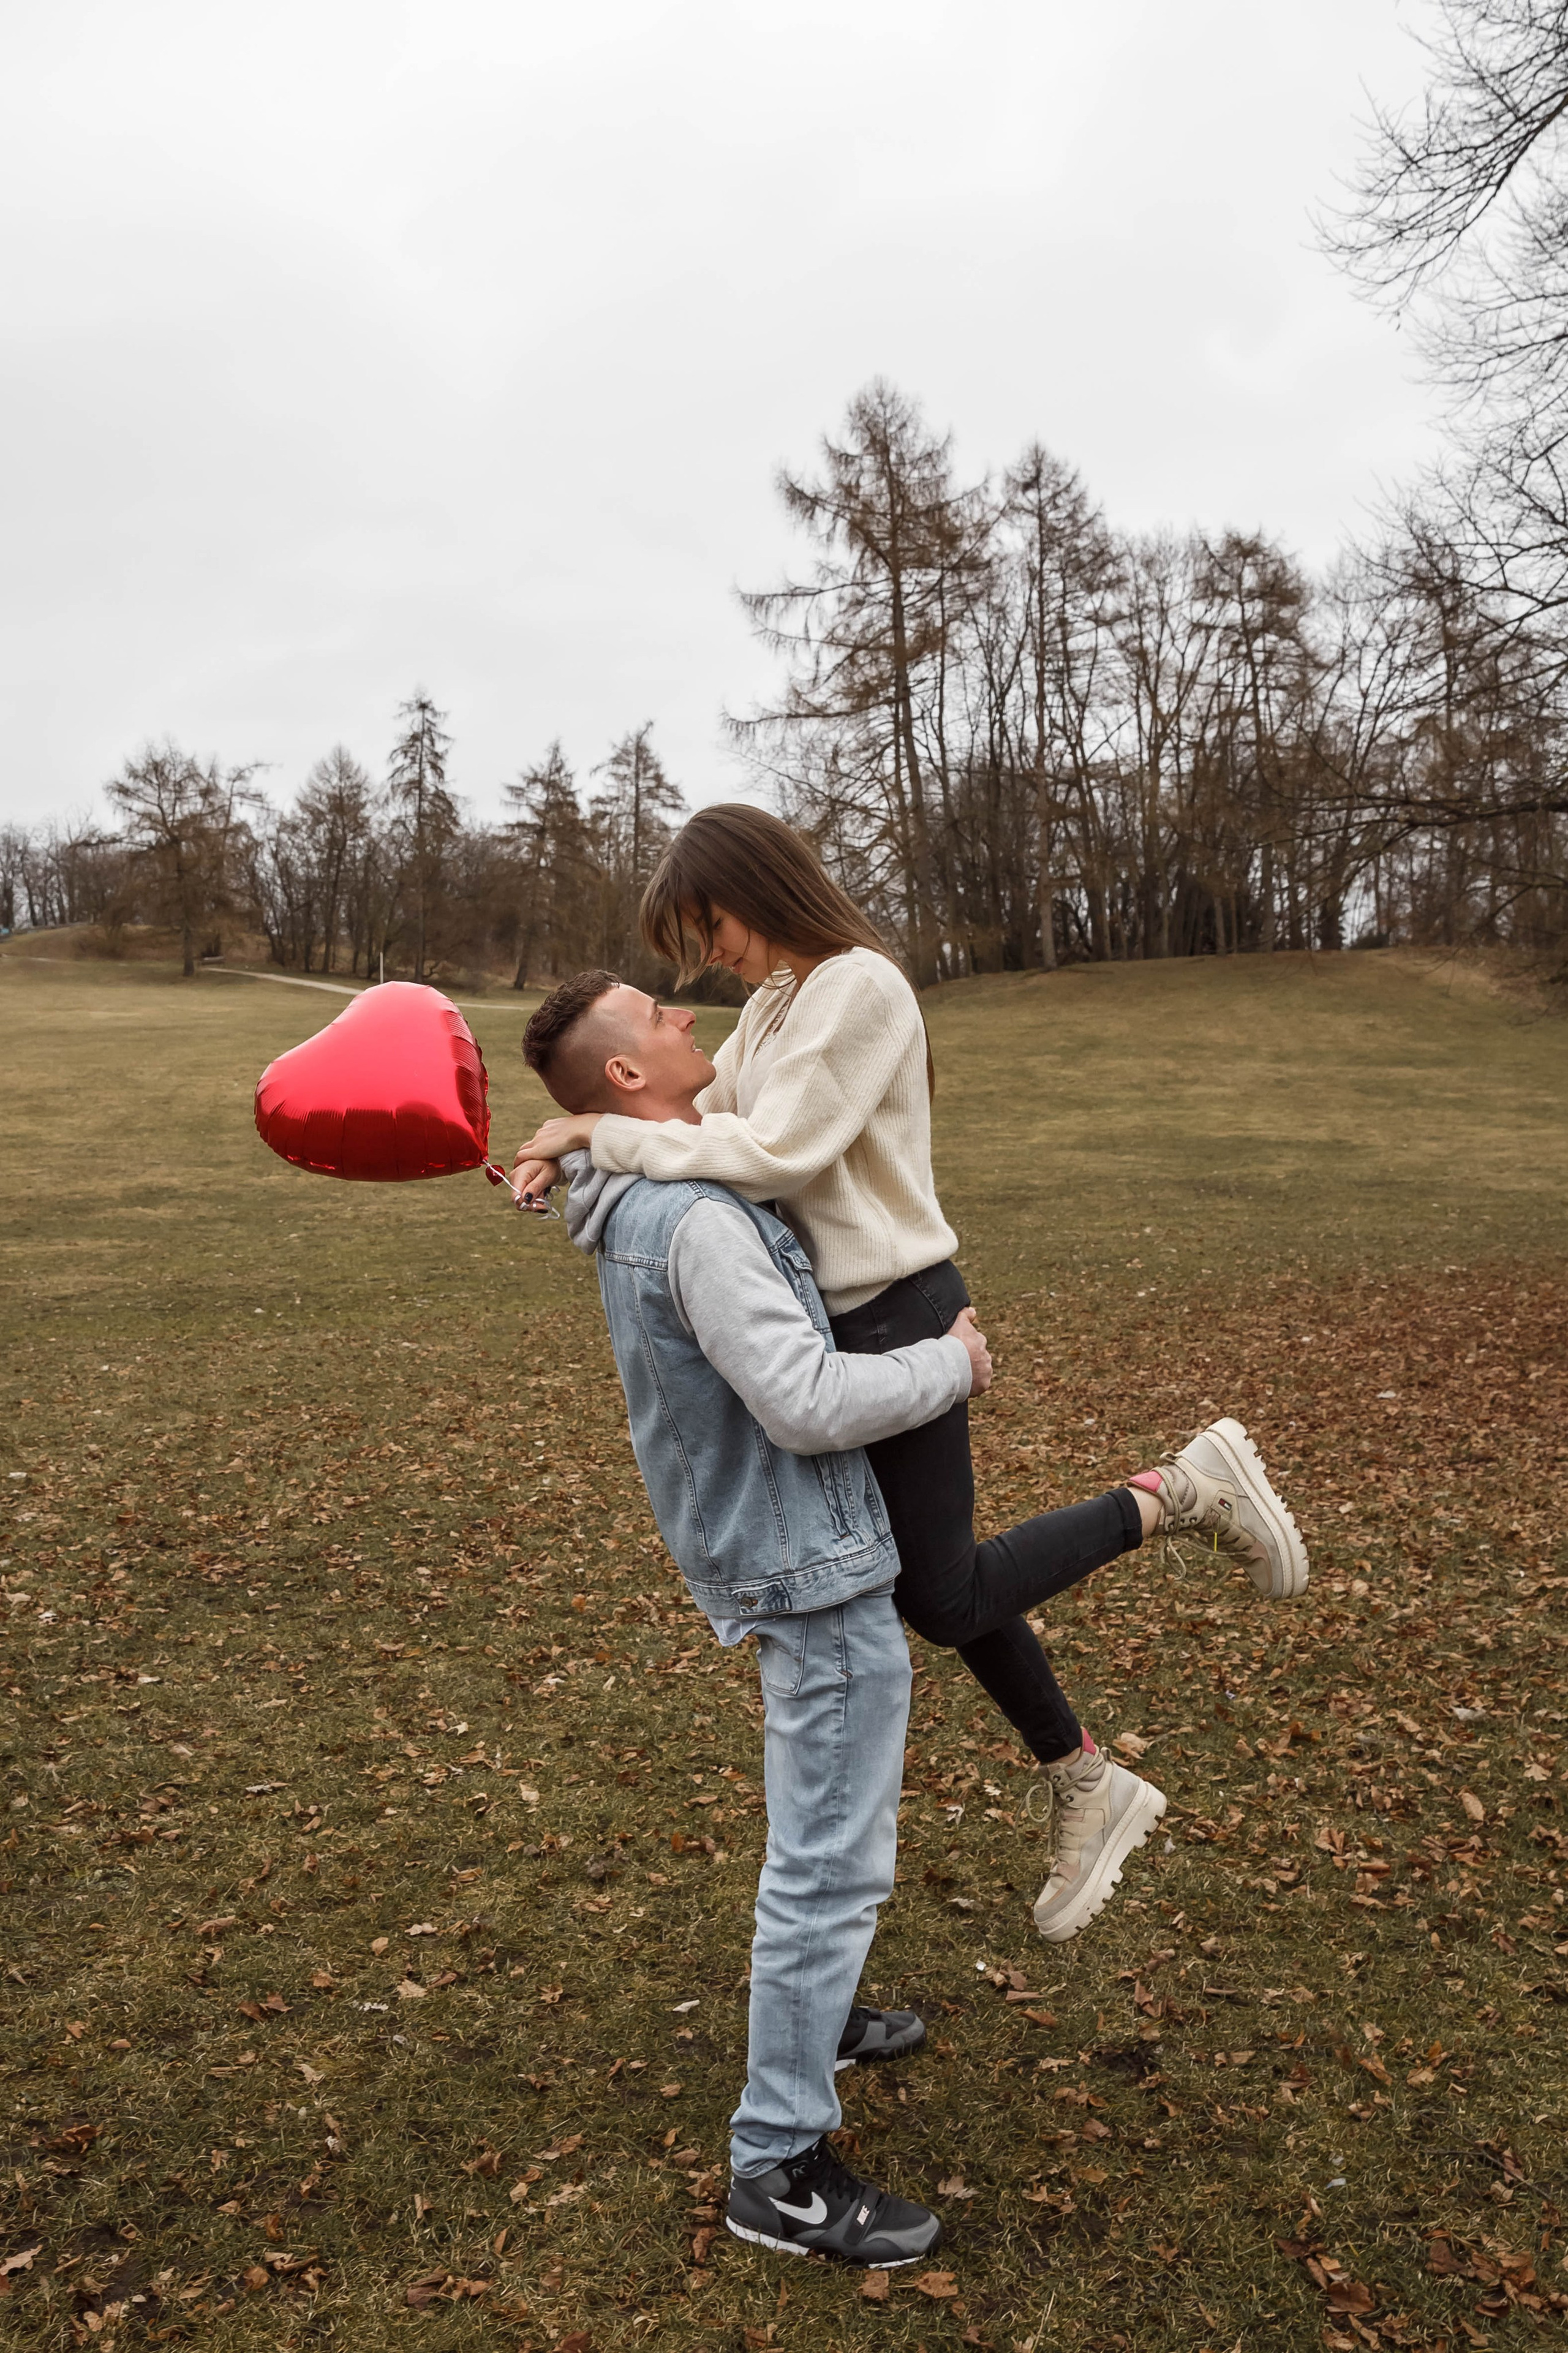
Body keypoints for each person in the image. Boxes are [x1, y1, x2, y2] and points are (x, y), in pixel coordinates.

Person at [514, 808, 1308, 1942]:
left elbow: (770, 1153)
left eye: (709, 925)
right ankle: (1083, 1772)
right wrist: (578, 1138)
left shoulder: (861, 988)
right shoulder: (778, 1002)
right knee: (931, 1583)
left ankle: (1179, 1492)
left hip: (897, 1311)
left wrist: (597, 1136)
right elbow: (694, 1116)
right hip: (843, 1326)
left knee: (939, 1596)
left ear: (758, 886)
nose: (704, 958)